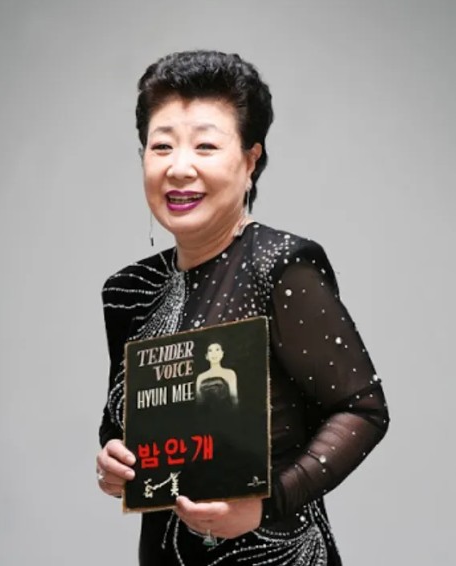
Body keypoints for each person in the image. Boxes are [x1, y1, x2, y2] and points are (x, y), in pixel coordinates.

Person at [96, 50, 389, 566]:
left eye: (205, 146)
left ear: (251, 160)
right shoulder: (128, 291)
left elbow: (362, 409)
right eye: (161, 146)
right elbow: (123, 422)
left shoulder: (280, 265)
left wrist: (265, 504)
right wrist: (113, 461)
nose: (179, 167)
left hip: (278, 553)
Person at [195, 343, 239, 408]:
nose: (214, 353)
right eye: (210, 350)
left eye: (217, 350)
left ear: (222, 354)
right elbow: (199, 400)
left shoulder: (229, 373)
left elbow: (234, 398)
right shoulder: (201, 377)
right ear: (206, 356)